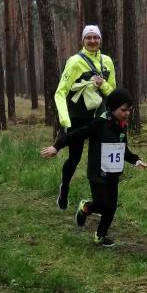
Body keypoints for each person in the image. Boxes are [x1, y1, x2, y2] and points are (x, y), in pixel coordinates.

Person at [41, 88, 147, 247]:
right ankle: (85, 207)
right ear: (112, 108)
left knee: (111, 207)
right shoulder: (99, 123)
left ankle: (100, 236)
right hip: (97, 173)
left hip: (113, 174)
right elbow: (77, 134)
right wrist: (57, 146)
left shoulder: (121, 126)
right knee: (101, 204)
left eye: (129, 110)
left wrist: (136, 160)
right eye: (123, 110)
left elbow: (122, 149)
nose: (127, 113)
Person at [53, 25, 117, 210]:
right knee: (75, 159)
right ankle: (64, 187)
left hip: (99, 118)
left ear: (100, 40)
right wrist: (65, 121)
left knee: (98, 161)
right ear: (83, 41)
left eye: (96, 37)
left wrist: (103, 85)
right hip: (77, 118)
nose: (92, 41)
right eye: (88, 37)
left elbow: (113, 93)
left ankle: (98, 201)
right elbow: (60, 93)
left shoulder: (107, 61)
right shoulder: (74, 62)